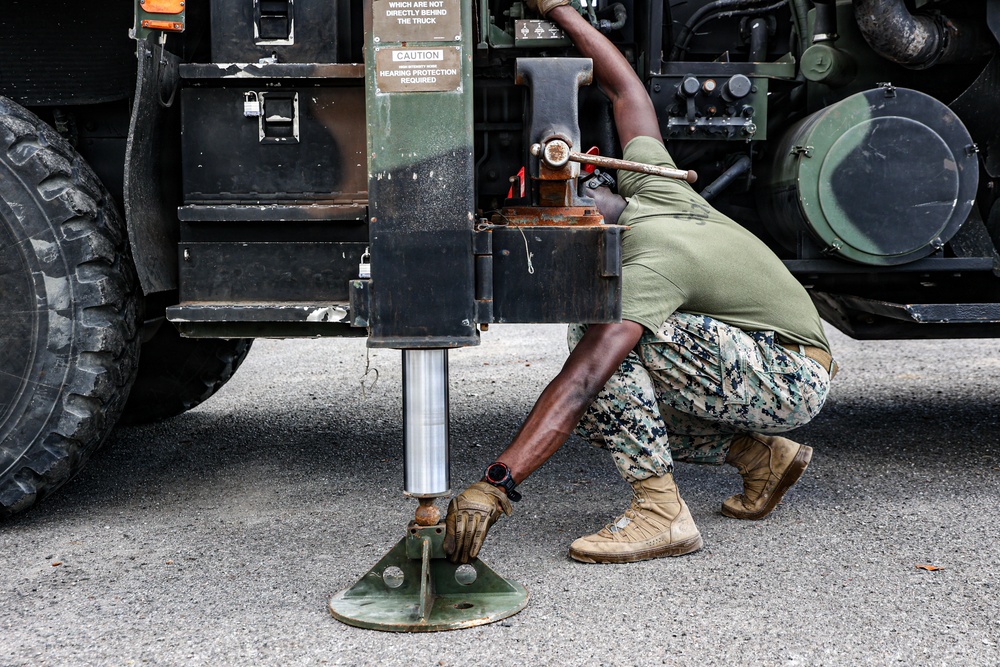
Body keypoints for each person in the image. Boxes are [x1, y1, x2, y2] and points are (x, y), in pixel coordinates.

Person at [442, 1, 836, 565]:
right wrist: (559, 9)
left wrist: (496, 484)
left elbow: (580, 382)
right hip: (779, 361)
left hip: (789, 377)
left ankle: (660, 515)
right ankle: (760, 457)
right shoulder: (660, 191)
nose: (567, 231)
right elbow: (625, 88)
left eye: (570, 216)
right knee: (621, 412)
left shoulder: (649, 263)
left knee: (602, 361)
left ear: (594, 193)